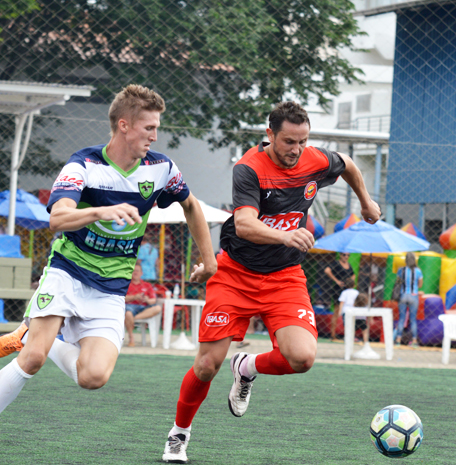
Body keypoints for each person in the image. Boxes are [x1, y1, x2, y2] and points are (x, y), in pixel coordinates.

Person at [0, 84, 217, 465]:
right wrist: (99, 211)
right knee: (34, 360)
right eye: (148, 128)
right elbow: (57, 219)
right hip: (67, 272)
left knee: (93, 377)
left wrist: (210, 260)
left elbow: (191, 205)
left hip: (110, 289)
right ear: (124, 125)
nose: (154, 136)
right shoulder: (82, 165)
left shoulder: (161, 169)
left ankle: (28, 334)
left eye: (157, 128)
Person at [161, 101, 381, 463]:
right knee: (205, 366)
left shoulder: (315, 159)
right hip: (235, 274)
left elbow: (349, 165)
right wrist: (286, 235)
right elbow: (245, 223)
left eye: (303, 141)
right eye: (289, 141)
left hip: (284, 278)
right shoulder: (249, 168)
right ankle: (179, 435)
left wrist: (367, 202)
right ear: (270, 135)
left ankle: (246, 367)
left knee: (302, 357)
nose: (296, 150)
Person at [124, 261, 161, 347]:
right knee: (128, 313)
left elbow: (153, 300)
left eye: (137, 271)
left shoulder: (147, 285)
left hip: (144, 307)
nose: (135, 272)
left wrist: (147, 300)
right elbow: (122, 298)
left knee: (157, 308)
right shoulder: (126, 284)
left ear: (141, 273)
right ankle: (131, 338)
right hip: (130, 307)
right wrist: (134, 297)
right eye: (134, 270)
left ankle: (132, 319)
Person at [393, 252, 423, 348]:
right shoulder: (418, 271)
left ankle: (398, 340)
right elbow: (420, 284)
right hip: (413, 295)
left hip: (403, 295)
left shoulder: (401, 270)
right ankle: (414, 341)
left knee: (401, 318)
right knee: (413, 319)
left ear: (405, 260)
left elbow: (397, 282)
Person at [324, 252, 356, 341]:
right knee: (337, 311)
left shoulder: (349, 265)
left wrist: (350, 281)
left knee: (348, 311)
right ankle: (333, 334)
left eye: (348, 255)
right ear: (340, 255)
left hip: (347, 290)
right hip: (338, 290)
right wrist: (336, 281)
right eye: (344, 255)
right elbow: (327, 270)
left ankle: (348, 335)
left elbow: (353, 275)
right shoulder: (336, 263)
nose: (346, 257)